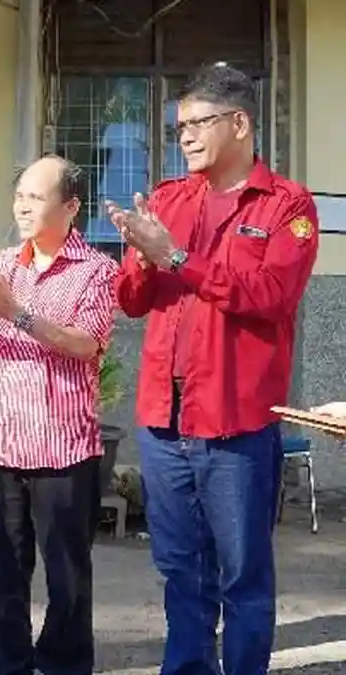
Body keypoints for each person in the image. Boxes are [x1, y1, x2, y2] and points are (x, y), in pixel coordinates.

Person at [109, 64, 319, 675]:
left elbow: (270, 295)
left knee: (243, 574)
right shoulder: (169, 199)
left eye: (198, 123)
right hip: (164, 420)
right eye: (179, 127)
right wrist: (141, 256)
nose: (186, 137)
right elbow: (132, 302)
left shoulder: (286, 205)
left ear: (240, 123)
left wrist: (175, 256)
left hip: (236, 423)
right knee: (181, 570)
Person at [0, 155, 118, 675]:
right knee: (2, 570)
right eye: (19, 195)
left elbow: (86, 343)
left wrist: (18, 314)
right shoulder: (3, 264)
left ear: (70, 207)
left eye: (36, 196)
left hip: (63, 445)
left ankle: (64, 663)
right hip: (3, 441)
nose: (23, 206)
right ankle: (8, 662)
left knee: (66, 572)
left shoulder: (97, 271)